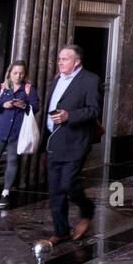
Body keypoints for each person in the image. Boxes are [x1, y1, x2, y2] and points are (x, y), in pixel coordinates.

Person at [42, 44, 102, 245]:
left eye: (65, 59)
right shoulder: (57, 78)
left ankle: (87, 209)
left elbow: (94, 110)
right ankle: (61, 231)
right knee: (55, 189)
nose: (60, 62)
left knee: (68, 183)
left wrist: (70, 116)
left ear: (77, 62)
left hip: (76, 142)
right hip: (54, 141)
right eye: (59, 59)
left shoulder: (90, 80)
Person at [0, 59, 40, 209]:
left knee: (12, 162)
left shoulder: (29, 89)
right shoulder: (1, 88)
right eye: (15, 73)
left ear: (25, 74)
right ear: (10, 73)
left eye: (21, 73)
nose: (18, 76)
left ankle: (6, 192)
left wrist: (25, 106)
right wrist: (2, 105)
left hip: (17, 134)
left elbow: (35, 107)